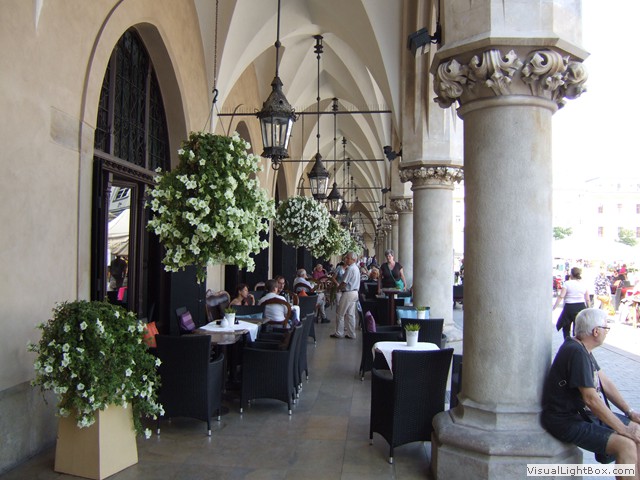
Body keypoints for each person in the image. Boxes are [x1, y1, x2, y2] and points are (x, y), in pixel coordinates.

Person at [542, 309, 640, 477]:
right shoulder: (576, 352)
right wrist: (623, 429)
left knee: (637, 431)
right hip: (565, 420)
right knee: (626, 444)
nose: (607, 332)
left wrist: (629, 412)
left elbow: (605, 383)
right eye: (606, 328)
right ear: (596, 331)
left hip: (582, 415)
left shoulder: (581, 347)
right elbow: (591, 399)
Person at [330, 251, 361, 339]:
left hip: (348, 293)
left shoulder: (350, 269)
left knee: (340, 313)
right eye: (346, 258)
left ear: (353, 259)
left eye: (348, 258)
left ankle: (339, 333)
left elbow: (344, 282)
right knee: (351, 314)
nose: (346, 259)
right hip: (355, 292)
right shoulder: (356, 268)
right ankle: (352, 333)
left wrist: (338, 288)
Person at [553, 266, 590, 339]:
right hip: (581, 306)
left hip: (569, 307)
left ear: (571, 274)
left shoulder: (567, 283)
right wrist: (588, 309)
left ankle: (567, 341)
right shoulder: (584, 284)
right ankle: (576, 342)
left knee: (566, 327)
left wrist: (554, 307)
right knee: (578, 328)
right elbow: (587, 299)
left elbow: (561, 296)